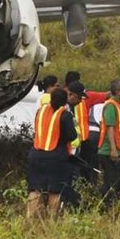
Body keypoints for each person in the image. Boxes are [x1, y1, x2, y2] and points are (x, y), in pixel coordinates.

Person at [27, 88, 78, 217]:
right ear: (64, 101)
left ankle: (31, 219)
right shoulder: (65, 114)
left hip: (36, 154)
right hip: (56, 156)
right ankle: (51, 220)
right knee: (54, 191)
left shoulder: (40, 111)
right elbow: (72, 136)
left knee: (35, 189)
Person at [97, 79, 120, 209]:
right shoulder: (111, 105)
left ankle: (111, 208)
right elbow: (110, 128)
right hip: (111, 151)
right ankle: (105, 209)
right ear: (118, 91)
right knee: (112, 183)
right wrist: (113, 150)